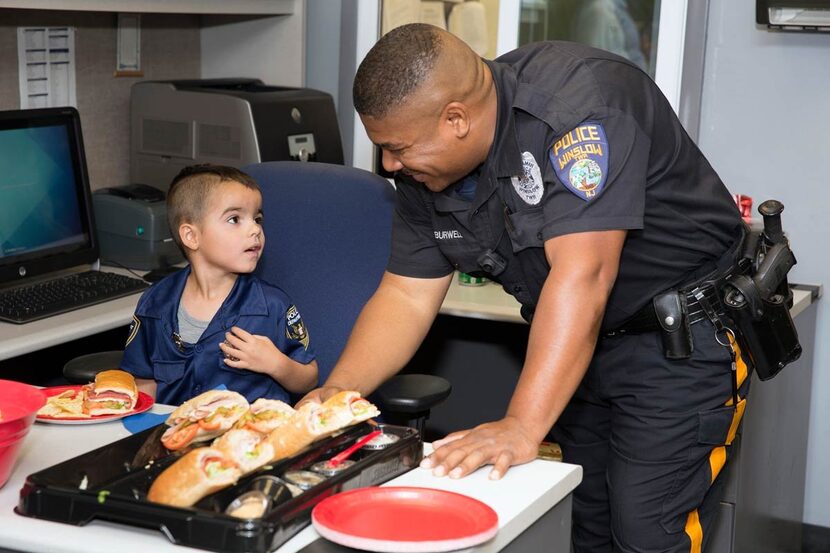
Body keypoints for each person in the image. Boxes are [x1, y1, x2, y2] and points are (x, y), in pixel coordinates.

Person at [300, 23, 751, 553]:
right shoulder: (427, 172)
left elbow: (582, 277)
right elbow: (407, 293)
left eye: (397, 148)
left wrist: (520, 425)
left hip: (680, 341)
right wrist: (339, 392)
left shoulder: (579, 109)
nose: (388, 165)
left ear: (455, 119)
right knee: (584, 521)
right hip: (582, 344)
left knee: (649, 531)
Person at [121, 164, 318, 406]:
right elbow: (144, 382)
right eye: (235, 219)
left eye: (257, 219)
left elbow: (309, 378)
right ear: (191, 236)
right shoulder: (155, 304)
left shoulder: (272, 306)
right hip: (177, 435)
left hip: (250, 437)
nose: (255, 229)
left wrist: (275, 363)